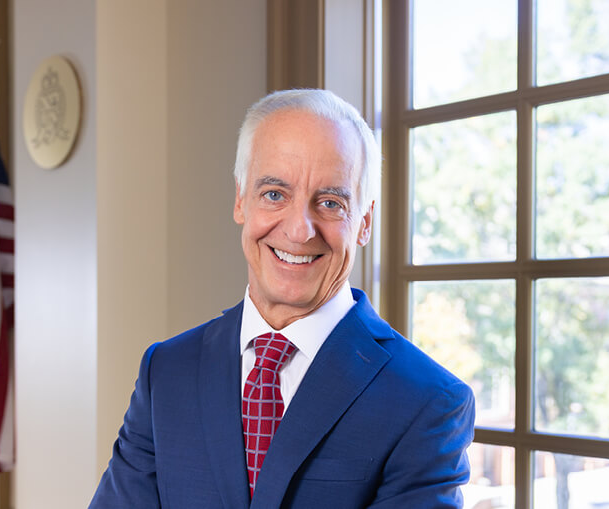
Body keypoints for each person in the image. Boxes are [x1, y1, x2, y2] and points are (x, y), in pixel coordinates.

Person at [89, 89, 475, 508]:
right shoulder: (165, 373)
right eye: (275, 194)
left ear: (363, 223)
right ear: (241, 199)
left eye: (330, 203)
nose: (299, 230)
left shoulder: (427, 402)